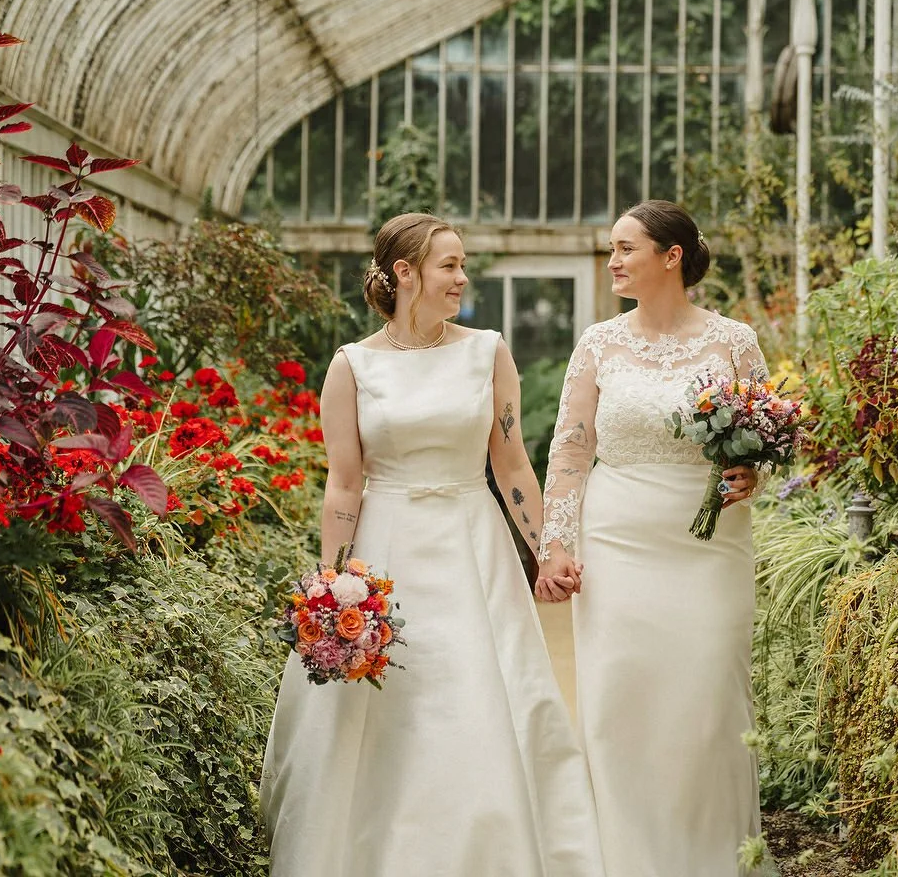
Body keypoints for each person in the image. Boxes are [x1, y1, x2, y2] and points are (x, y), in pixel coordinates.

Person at [259, 212, 601, 876]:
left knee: (480, 694)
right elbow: (344, 484)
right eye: (449, 265)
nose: (462, 277)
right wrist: (332, 585)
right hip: (386, 552)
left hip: (475, 549)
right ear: (405, 273)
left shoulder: (488, 352)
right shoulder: (352, 366)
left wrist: (546, 549)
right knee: (390, 706)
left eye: (462, 264)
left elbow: (511, 464)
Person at [541, 200, 766, 876]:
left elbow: (766, 434)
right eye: (611, 249)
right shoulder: (598, 344)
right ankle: (624, 858)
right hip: (618, 541)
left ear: (672, 257)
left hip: (710, 542)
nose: (612, 261)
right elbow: (571, 449)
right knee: (622, 697)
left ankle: (711, 856)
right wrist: (556, 543)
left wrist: (750, 471)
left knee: (706, 698)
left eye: (625, 248)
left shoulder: (735, 341)